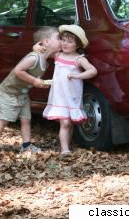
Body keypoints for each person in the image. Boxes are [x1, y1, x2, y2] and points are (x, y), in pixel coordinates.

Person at [0, 26, 61, 160]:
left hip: (22, 94)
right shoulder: (34, 58)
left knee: (26, 120)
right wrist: (34, 81)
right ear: (46, 42)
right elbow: (18, 70)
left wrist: (40, 82)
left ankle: (26, 145)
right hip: (9, 92)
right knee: (4, 119)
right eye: (58, 38)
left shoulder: (45, 61)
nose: (61, 41)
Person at [43, 24, 97, 157]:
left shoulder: (79, 59)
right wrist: (47, 45)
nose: (65, 44)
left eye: (70, 41)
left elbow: (93, 71)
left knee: (69, 122)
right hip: (59, 96)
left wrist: (77, 76)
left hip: (72, 96)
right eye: (63, 40)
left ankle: (66, 144)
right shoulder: (58, 55)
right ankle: (65, 149)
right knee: (65, 122)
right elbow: (43, 52)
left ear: (77, 45)